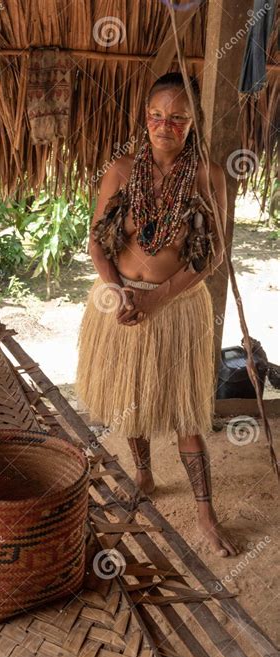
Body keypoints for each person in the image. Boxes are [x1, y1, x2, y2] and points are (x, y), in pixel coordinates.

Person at [76, 72, 238, 557]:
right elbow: (97, 242)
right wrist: (118, 292)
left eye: (177, 118)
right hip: (120, 303)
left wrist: (158, 297)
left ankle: (205, 513)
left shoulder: (209, 176)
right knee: (132, 395)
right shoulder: (122, 170)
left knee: (187, 413)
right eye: (156, 116)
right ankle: (143, 475)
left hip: (177, 306)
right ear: (145, 118)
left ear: (193, 122)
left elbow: (210, 255)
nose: (164, 126)